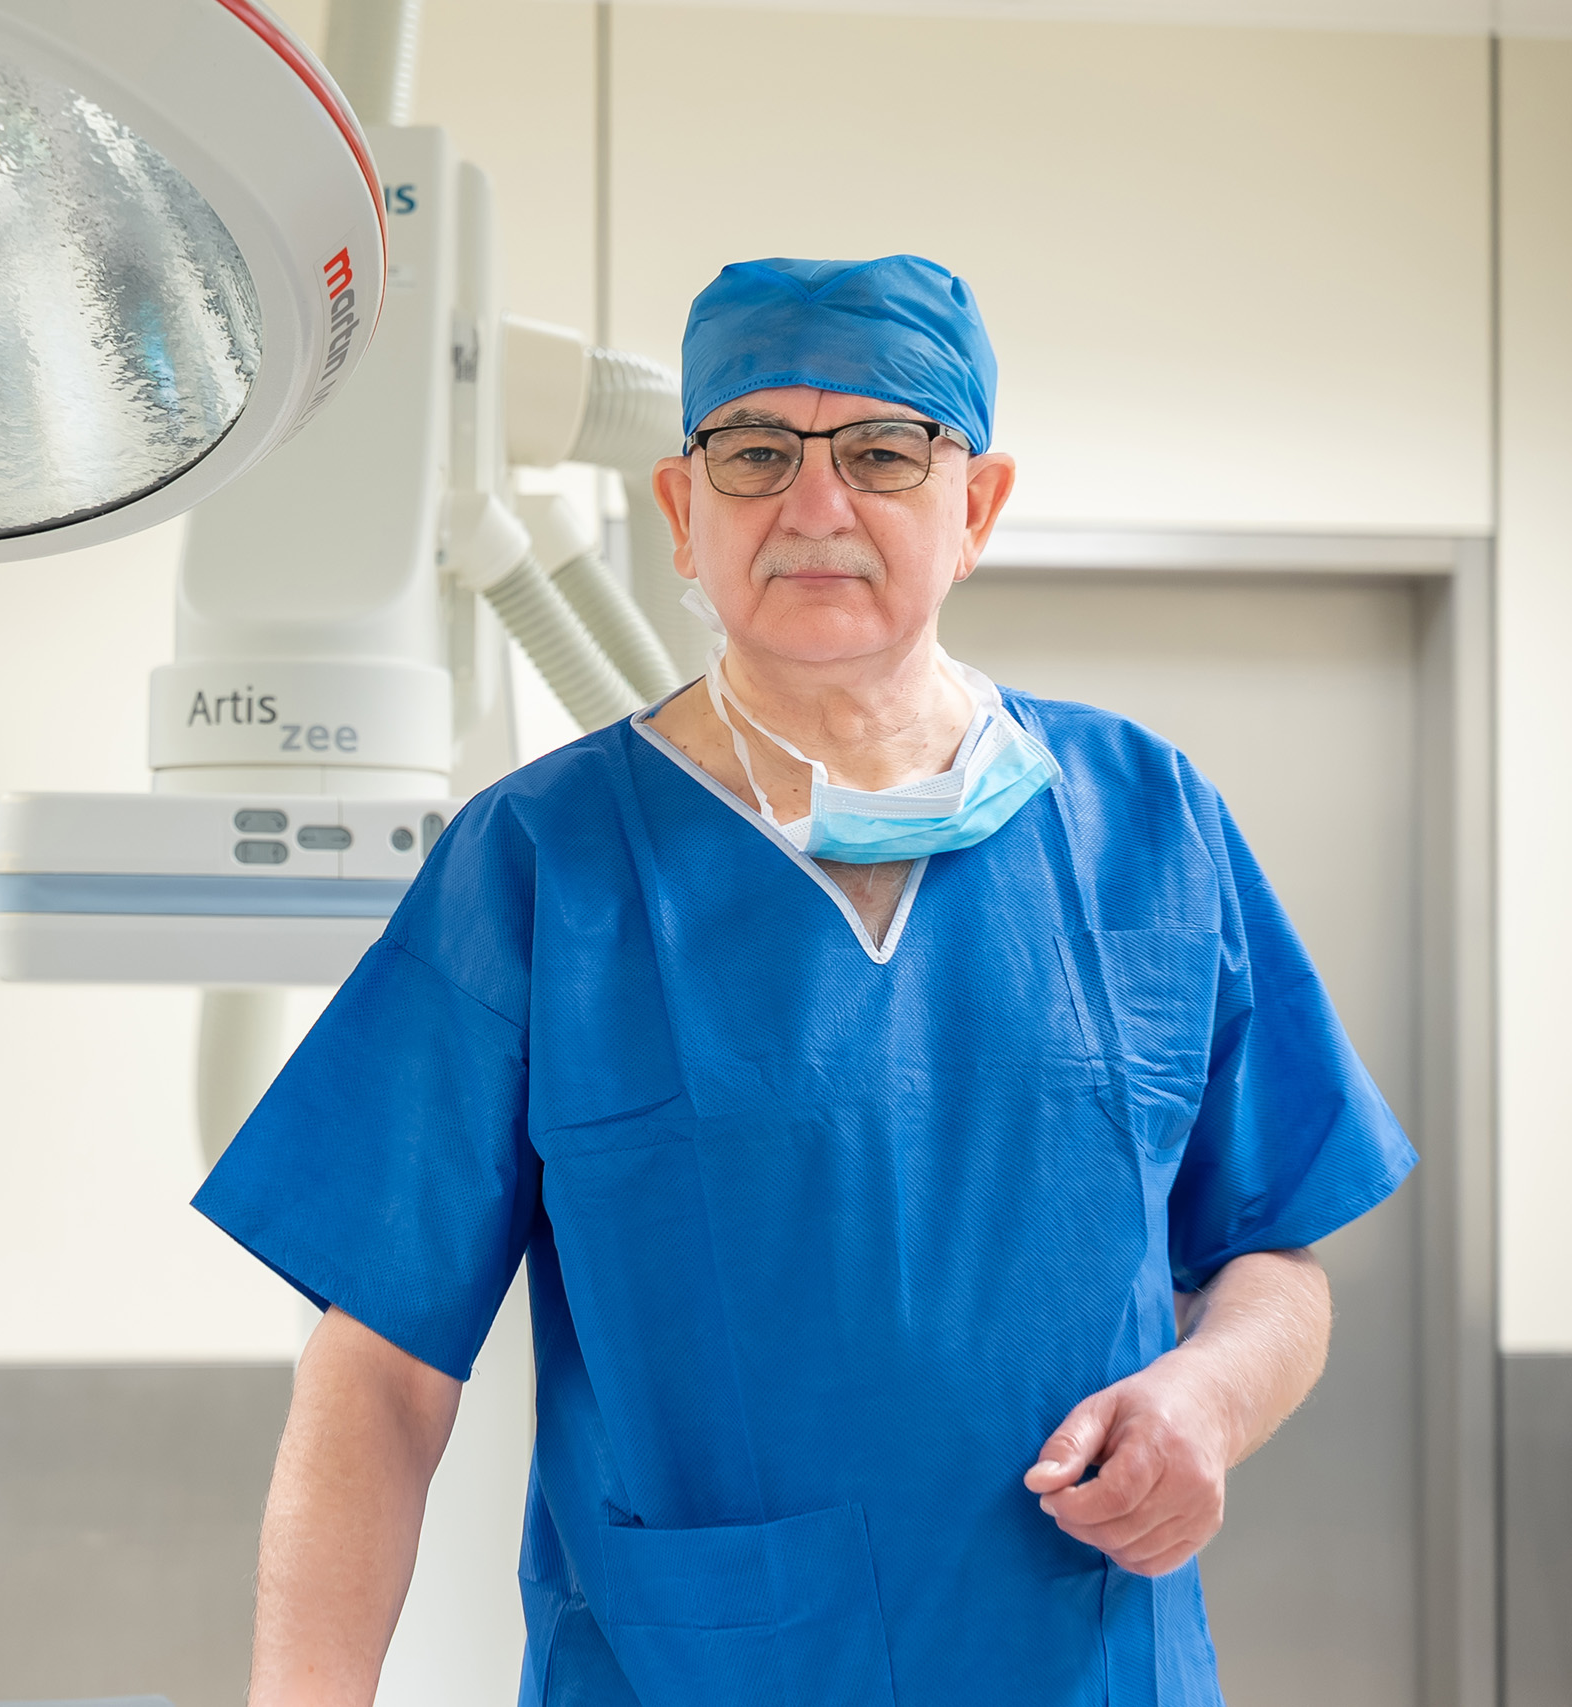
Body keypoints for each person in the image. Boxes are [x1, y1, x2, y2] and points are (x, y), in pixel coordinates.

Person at [192, 254, 1416, 1707]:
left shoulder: (1148, 824)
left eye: (886, 451)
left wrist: (1207, 1401)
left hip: (1085, 1662)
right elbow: (379, 1377)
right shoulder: (542, 865)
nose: (815, 505)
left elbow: (1276, 1256)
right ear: (681, 514)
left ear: (975, 508)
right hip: (688, 1669)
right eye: (757, 451)